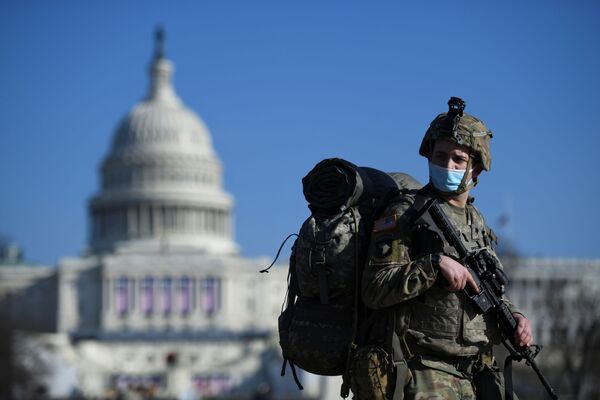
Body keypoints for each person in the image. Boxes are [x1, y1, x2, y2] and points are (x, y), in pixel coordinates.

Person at [361, 97, 532, 400]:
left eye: (458, 160)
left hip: (478, 372)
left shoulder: (476, 221)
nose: (447, 165)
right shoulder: (406, 214)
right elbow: (374, 289)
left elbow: (488, 291)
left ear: (476, 169)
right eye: (440, 156)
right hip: (426, 372)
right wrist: (433, 265)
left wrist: (516, 318)